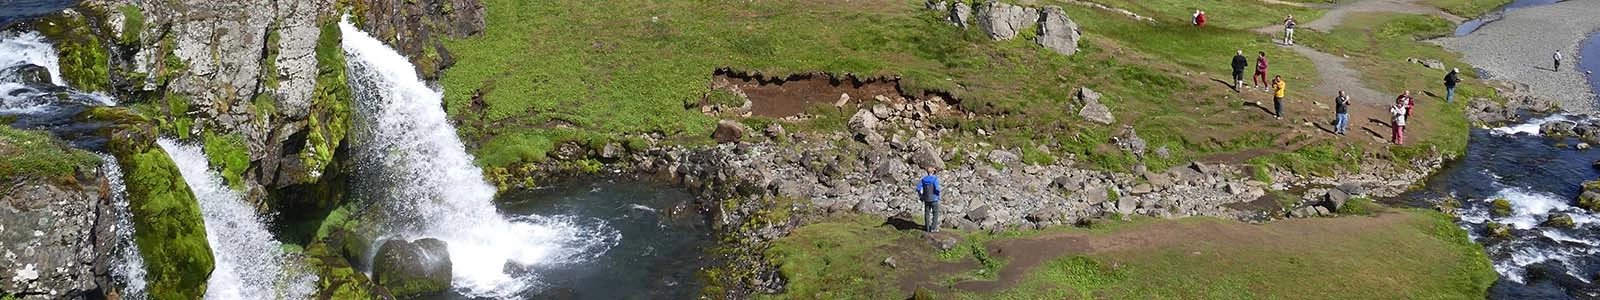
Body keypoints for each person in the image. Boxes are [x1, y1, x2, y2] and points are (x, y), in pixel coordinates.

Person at [915, 167, 942, 233]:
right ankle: (933, 228)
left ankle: (927, 228)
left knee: (927, 213)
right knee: (935, 213)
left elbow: (918, 188)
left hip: (926, 199)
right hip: (934, 198)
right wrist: (938, 195)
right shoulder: (935, 179)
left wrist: (921, 196)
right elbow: (937, 189)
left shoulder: (923, 179)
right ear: (932, 172)